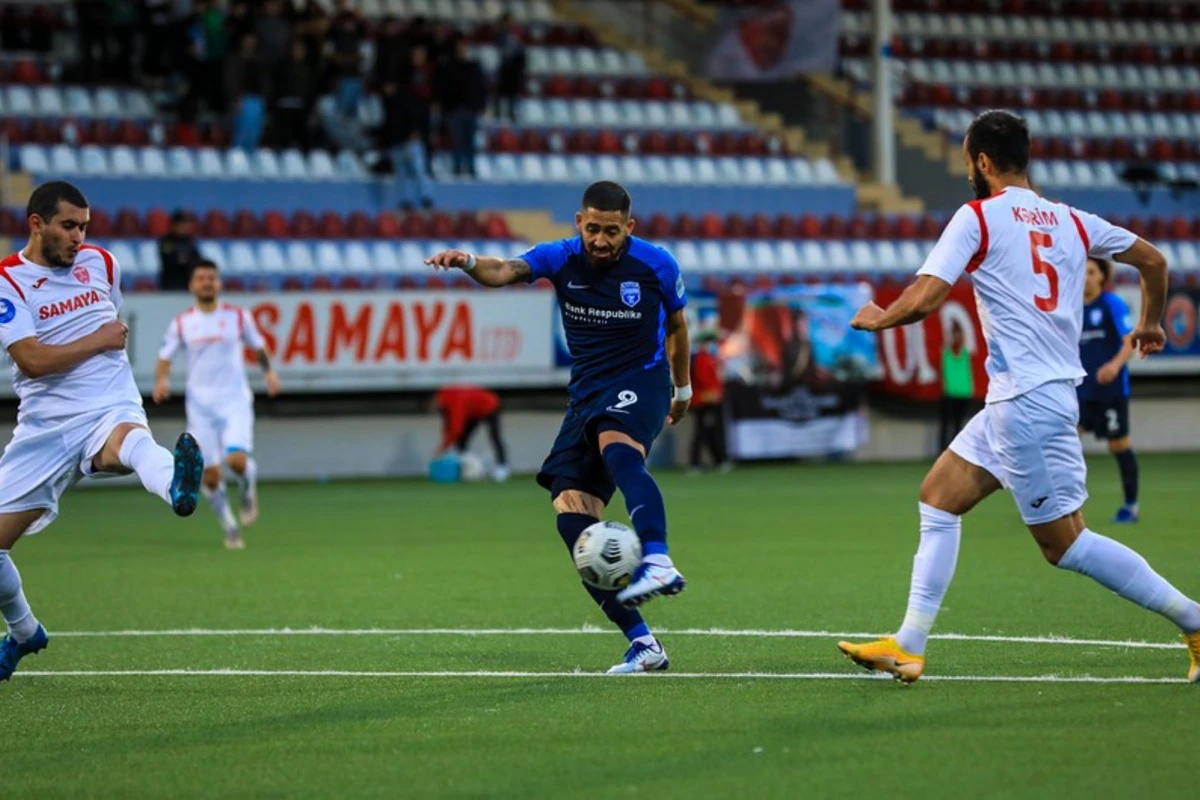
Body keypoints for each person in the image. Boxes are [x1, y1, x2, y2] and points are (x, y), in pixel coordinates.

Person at [838, 110, 1200, 684]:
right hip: (1023, 399)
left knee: (1067, 546)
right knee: (938, 497)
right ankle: (908, 644)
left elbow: (928, 296)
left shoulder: (977, 217)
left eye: (967, 160)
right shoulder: (1071, 220)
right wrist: (1149, 325)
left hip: (1026, 404)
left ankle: (1195, 621)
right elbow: (1154, 259)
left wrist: (880, 320)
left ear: (981, 161)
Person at [425, 181, 691, 674]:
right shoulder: (561, 256)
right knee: (573, 519)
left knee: (619, 447)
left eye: (612, 231)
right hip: (586, 394)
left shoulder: (657, 264)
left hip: (643, 379)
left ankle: (657, 557)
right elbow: (505, 270)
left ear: (628, 227)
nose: (601, 240)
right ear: (579, 223)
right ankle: (644, 645)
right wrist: (466, 261)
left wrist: (684, 389)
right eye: (593, 229)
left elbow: (677, 326)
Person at [0, 182, 203, 681]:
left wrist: (100, 347)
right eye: (69, 226)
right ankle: (26, 631)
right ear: (37, 223)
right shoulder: (9, 279)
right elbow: (31, 358)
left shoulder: (102, 264)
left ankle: (177, 483)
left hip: (107, 403)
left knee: (130, 443)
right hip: (45, 427)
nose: (79, 237)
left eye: (84, 227)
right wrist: (98, 339)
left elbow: (106, 336)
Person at [153, 259, 280, 549]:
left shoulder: (237, 317)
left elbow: (258, 346)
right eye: (202, 278)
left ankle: (248, 490)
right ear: (192, 285)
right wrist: (162, 380)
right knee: (209, 477)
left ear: (219, 283)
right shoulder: (183, 322)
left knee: (236, 461)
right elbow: (165, 356)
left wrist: (269, 372)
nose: (207, 282)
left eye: (212, 277)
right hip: (200, 407)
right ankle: (231, 527)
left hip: (234, 400)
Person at [1078, 257, 1140, 523]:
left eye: (1091, 272)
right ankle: (1058, 507)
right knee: (1063, 441)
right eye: (1083, 272)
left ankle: (1130, 506)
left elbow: (1130, 341)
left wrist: (1114, 366)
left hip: (1110, 391)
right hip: (1080, 392)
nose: (1086, 277)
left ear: (1102, 277)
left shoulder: (1111, 304)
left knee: (1118, 445)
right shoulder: (1071, 308)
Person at [433, 385, 509, 482]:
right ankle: (466, 467)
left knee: (495, 437)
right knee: (461, 441)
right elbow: (448, 425)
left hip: (490, 405)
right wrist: (445, 445)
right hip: (472, 411)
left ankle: (502, 467)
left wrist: (443, 447)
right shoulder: (444, 401)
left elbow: (456, 427)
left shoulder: (453, 400)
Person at [688, 330, 730, 473]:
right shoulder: (702, 359)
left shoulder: (712, 358)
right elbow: (704, 379)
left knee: (711, 431)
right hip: (704, 401)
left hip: (712, 400)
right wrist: (714, 393)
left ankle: (719, 460)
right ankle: (695, 463)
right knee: (702, 432)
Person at [939, 321, 973, 451]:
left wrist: (970, 389)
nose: (957, 337)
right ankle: (942, 451)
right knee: (946, 425)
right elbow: (945, 371)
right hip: (950, 393)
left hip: (964, 393)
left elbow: (968, 372)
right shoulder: (947, 352)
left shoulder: (965, 353)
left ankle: (956, 452)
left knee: (959, 426)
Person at [158, 209, 201, 291]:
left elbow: (197, 262)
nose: (186, 227)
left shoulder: (190, 242)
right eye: (182, 224)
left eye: (188, 224)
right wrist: (187, 261)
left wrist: (186, 260)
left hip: (189, 286)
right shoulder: (166, 242)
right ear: (174, 225)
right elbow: (171, 261)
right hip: (171, 286)